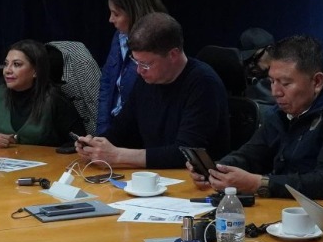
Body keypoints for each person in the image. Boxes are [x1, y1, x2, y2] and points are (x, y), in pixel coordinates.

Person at [192, 35, 323, 209]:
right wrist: (218, 169)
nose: (275, 92)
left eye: (286, 83)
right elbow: (252, 153)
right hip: (297, 209)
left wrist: (259, 184)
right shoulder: (287, 107)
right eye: (272, 81)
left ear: (317, 82)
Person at [75, 13, 229, 170]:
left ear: (173, 55)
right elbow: (123, 128)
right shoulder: (147, 80)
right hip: (155, 176)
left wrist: (117, 155)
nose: (139, 70)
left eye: (146, 64)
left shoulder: (203, 84)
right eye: (136, 61)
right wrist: (95, 145)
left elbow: (186, 153)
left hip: (192, 177)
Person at [0, 40, 83, 148]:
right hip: (3, 165)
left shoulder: (55, 99)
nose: (7, 70)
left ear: (36, 71)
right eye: (6, 64)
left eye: (16, 64)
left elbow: (79, 141)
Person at [96, 0, 165, 135]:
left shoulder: (161, 42)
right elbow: (107, 82)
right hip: (115, 127)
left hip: (140, 133)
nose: (110, 19)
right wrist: (102, 133)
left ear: (134, 12)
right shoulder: (119, 36)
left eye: (116, 14)